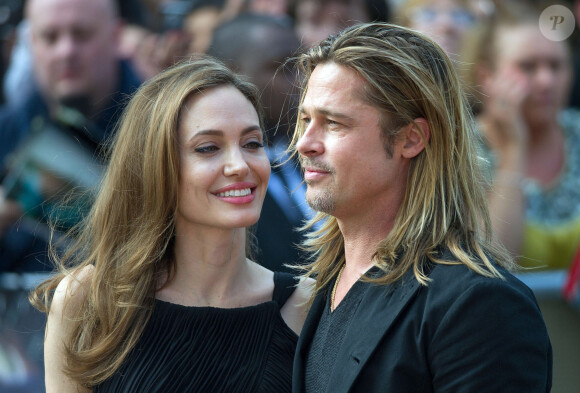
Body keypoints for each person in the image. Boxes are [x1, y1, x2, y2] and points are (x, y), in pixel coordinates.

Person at [289, 22, 552, 392]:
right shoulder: (322, 288)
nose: (305, 144)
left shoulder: (480, 305)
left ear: (410, 139)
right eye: (305, 120)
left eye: (333, 123)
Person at [30, 56, 312, 392]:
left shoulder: (304, 305)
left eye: (252, 143)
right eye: (208, 148)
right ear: (157, 165)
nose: (239, 165)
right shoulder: (91, 300)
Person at [0, 0, 142, 271]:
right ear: (30, 42)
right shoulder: (4, 132)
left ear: (116, 36)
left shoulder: (167, 129)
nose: (66, 51)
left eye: (81, 34)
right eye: (50, 37)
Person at [465, 1, 580, 269]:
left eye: (556, 65)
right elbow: (493, 264)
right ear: (486, 76)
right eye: (528, 67)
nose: (546, 81)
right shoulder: (462, 149)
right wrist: (513, 150)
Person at [208, 12, 309, 273]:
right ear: (230, 76)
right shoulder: (213, 183)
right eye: (282, 67)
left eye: (302, 67)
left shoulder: (318, 154)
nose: (302, 82)